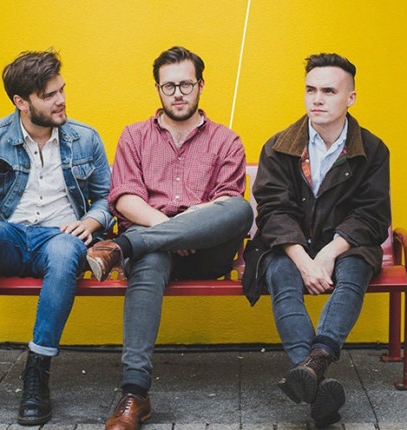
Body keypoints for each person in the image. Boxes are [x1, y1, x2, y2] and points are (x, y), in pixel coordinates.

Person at [0, 50, 113, 425]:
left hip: (59, 238)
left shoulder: (85, 139)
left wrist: (92, 221)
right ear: (21, 102)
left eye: (61, 90)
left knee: (66, 251)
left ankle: (37, 372)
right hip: (9, 239)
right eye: (49, 95)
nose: (61, 100)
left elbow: (108, 198)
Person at [86, 46, 253, 430]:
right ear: (158, 89)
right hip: (152, 250)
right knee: (151, 256)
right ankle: (134, 394)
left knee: (241, 209)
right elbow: (124, 198)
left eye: (186, 85)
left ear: (201, 85)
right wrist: (170, 231)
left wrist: (188, 227)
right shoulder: (134, 136)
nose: (178, 94)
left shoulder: (227, 140)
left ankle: (121, 247)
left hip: (206, 253)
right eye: (169, 86)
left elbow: (226, 206)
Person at [242, 53, 390, 427]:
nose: (317, 99)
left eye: (328, 91)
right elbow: (273, 211)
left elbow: (372, 215)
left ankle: (316, 359)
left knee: (356, 267)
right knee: (281, 273)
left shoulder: (372, 150)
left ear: (350, 98)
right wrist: (304, 260)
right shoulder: (279, 146)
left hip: (345, 246)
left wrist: (329, 253)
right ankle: (315, 376)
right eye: (311, 90)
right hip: (288, 246)